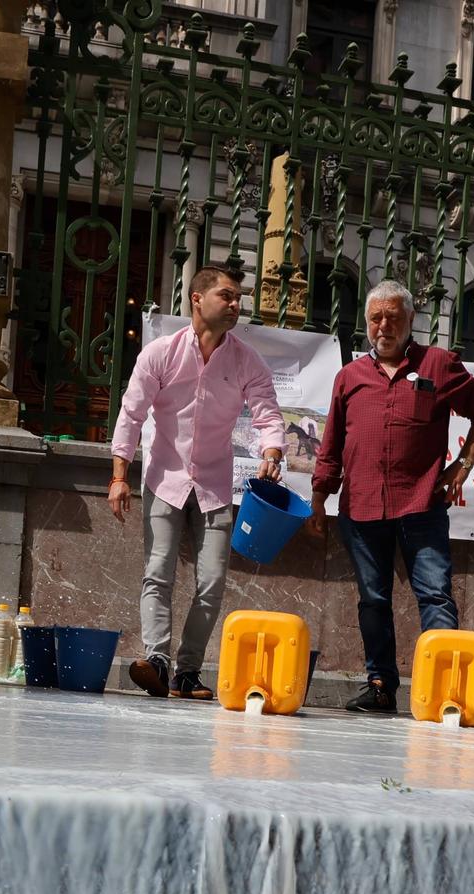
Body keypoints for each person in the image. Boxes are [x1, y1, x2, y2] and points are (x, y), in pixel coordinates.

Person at [305, 279, 474, 714]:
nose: (384, 326)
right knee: (373, 599)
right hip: (362, 507)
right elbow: (331, 444)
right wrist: (319, 498)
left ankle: (444, 688)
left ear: (411, 320)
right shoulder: (348, 377)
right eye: (376, 317)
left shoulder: (439, 365)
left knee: (435, 595)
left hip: (422, 505)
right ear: (366, 323)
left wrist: (462, 466)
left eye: (394, 316)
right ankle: (380, 685)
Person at [108, 266, 286, 700]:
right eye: (226, 295)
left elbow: (267, 411)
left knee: (211, 583)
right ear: (197, 299)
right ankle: (157, 660)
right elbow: (131, 413)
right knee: (158, 573)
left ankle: (186, 673)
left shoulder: (247, 360)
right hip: (164, 478)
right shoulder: (160, 353)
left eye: (238, 297)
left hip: (214, 485)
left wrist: (272, 452)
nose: (235, 304)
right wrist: (118, 476)